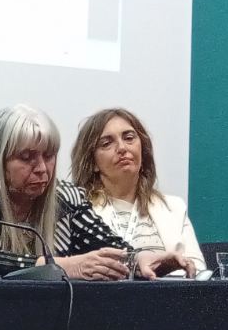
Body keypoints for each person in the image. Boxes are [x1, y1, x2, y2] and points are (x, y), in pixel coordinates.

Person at [0, 105, 193, 279]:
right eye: (27, 157)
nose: (41, 168)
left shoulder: (65, 196)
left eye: (49, 156)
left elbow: (108, 246)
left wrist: (140, 260)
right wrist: (63, 266)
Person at [71, 107, 205, 275]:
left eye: (129, 138)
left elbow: (198, 271)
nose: (122, 148)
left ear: (143, 150)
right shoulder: (78, 212)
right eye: (106, 143)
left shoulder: (174, 207)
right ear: (93, 163)